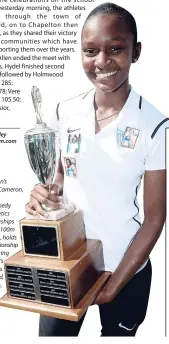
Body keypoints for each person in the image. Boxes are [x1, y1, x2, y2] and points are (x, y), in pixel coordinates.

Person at [26, 2, 167, 337]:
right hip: (67, 263)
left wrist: (115, 285)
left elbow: (155, 218)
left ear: (136, 52)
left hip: (125, 268)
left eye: (115, 49)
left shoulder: (155, 127)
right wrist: (46, 195)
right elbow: (61, 178)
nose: (101, 62)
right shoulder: (66, 112)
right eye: (90, 51)